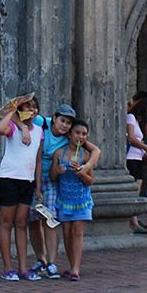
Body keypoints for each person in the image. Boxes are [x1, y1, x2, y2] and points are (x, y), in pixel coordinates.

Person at [28, 105, 100, 280]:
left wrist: (84, 169)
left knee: (50, 219)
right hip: (33, 177)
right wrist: (23, 127)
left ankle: (55, 263)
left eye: (69, 123)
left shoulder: (74, 142)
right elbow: (22, 115)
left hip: (61, 188)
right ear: (54, 118)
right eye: (62, 121)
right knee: (33, 220)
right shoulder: (42, 124)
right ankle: (41, 259)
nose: (64, 125)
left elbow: (95, 151)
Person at [0, 93, 43, 281]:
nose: (31, 110)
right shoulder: (13, 127)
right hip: (8, 177)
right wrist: (16, 115)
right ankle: (8, 267)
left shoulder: (39, 130)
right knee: (6, 222)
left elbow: (38, 161)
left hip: (27, 180)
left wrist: (37, 187)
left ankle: (23, 267)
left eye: (33, 107)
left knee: (21, 223)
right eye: (27, 107)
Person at [50, 118, 95, 281]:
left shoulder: (86, 156)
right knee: (67, 233)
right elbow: (52, 176)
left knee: (77, 232)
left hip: (81, 200)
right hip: (65, 200)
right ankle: (71, 265)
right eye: (77, 133)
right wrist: (58, 170)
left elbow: (90, 181)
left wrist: (82, 172)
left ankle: (76, 268)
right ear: (69, 134)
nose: (80, 137)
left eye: (84, 134)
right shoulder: (59, 153)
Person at [124, 91, 147, 235]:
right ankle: (133, 221)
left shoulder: (137, 121)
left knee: (137, 189)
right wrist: (146, 147)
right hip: (131, 158)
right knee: (133, 189)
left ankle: (134, 218)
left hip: (138, 158)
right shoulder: (130, 117)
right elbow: (131, 138)